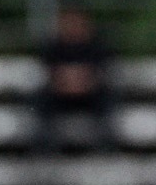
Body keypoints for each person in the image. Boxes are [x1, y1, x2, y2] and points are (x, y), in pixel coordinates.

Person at [34, 8, 115, 153]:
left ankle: (106, 144)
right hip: (60, 95)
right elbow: (49, 73)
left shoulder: (97, 46)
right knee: (40, 98)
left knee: (108, 97)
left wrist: (80, 81)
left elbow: (101, 73)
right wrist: (67, 81)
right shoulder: (52, 46)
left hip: (89, 95)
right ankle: (44, 146)